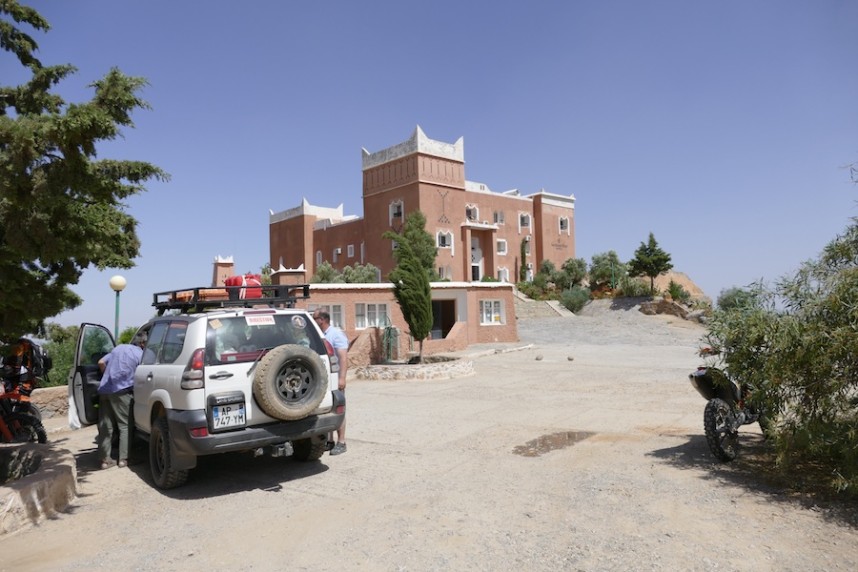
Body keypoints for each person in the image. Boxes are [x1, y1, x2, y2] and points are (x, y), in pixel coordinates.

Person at [97, 332, 147, 469]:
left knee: (106, 426)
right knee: (125, 425)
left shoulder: (118, 348)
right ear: (142, 344)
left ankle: (105, 461)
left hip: (105, 390)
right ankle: (123, 459)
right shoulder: (140, 354)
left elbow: (100, 362)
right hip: (122, 392)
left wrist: (108, 376)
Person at [313, 309, 349, 455]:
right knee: (327, 409)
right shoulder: (320, 335)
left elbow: (343, 358)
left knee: (339, 409)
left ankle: (342, 442)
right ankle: (330, 441)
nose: (313, 320)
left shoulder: (336, 334)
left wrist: (342, 378)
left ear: (322, 319)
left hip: (335, 379)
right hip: (323, 379)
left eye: (314, 318)